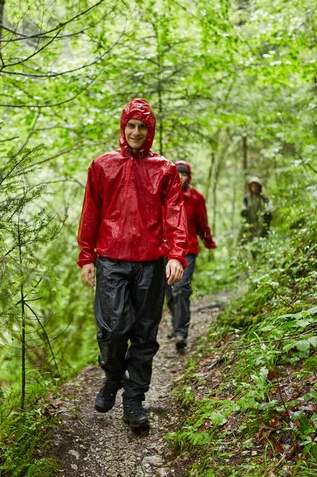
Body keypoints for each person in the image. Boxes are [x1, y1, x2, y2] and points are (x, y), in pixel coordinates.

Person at [77, 98, 188, 434]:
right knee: (112, 328)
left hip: (150, 264)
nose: (137, 132)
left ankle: (134, 400)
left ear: (149, 130)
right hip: (111, 259)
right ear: (124, 129)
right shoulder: (102, 165)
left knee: (144, 331)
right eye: (131, 126)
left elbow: (174, 214)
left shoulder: (165, 169)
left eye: (142, 126)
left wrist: (176, 254)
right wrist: (86, 256)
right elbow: (91, 211)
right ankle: (113, 376)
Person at [165, 161, 216, 352]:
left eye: (184, 174)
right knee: (169, 292)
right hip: (166, 251)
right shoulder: (164, 193)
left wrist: (208, 241)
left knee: (181, 289)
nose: (180, 177)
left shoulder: (196, 197)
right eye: (177, 173)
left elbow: (203, 222)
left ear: (189, 176)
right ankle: (175, 322)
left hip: (188, 250)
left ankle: (181, 333)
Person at [240, 176, 273, 241]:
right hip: (250, 223)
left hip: (261, 223)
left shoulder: (263, 197)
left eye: (256, 186)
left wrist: (268, 212)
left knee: (262, 239)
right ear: (250, 187)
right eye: (252, 186)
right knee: (249, 239)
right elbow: (243, 206)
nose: (254, 188)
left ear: (259, 187)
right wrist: (244, 211)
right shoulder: (247, 198)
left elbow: (270, 205)